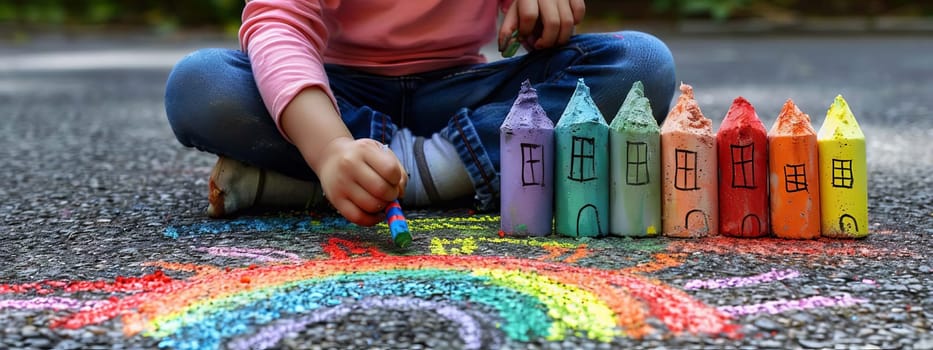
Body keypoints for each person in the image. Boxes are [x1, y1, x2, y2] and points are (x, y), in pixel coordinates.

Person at [164, 0, 676, 227]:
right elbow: (278, 24)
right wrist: (331, 147)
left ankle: (368, 177)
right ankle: (384, 170)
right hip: (340, 102)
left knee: (640, 64)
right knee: (200, 84)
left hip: (460, 96)